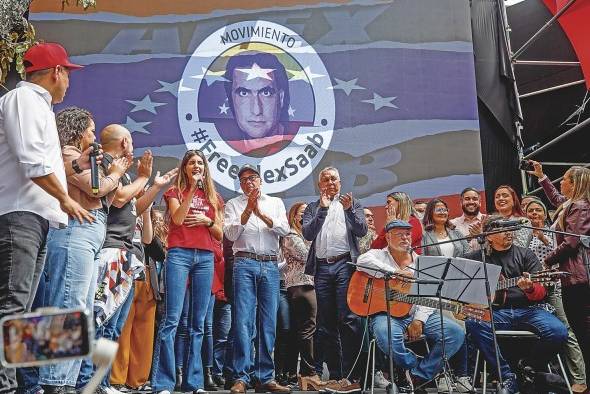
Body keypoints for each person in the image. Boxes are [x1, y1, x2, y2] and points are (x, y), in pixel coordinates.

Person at [0, 42, 94, 393]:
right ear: (56, 72)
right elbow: (29, 160)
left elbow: (39, 160)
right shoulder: (23, 100)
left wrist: (71, 173)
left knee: (23, 310)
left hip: (35, 217)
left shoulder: (36, 105)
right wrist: (66, 199)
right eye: (67, 73)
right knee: (12, 305)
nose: (69, 81)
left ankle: (21, 384)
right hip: (19, 215)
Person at [37, 108, 130, 394]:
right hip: (73, 232)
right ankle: (54, 382)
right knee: (69, 305)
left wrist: (113, 175)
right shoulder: (66, 153)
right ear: (78, 131)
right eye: (90, 130)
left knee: (83, 311)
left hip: (90, 233)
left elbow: (107, 196)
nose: (94, 135)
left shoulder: (90, 158)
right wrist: (115, 174)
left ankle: (66, 379)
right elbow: (96, 190)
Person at [356, 219, 465, 394]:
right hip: (387, 313)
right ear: (388, 237)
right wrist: (394, 272)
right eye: (399, 234)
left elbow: (429, 295)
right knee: (386, 335)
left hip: (416, 312)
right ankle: (411, 365)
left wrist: (419, 321)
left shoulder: (422, 262)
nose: (405, 237)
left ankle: (419, 374)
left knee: (455, 333)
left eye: (407, 234)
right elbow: (362, 261)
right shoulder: (377, 255)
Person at [464, 215, 568, 394]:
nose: (509, 233)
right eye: (503, 229)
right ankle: (506, 376)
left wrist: (529, 289)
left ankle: (527, 367)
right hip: (496, 312)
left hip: (528, 310)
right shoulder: (475, 258)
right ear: (488, 236)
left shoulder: (525, 254)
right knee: (474, 322)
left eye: (510, 229)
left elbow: (541, 292)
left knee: (558, 331)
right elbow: (463, 289)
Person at [151, 149, 224, 394]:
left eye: (200, 163)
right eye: (192, 163)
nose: (196, 166)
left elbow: (221, 234)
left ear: (205, 168)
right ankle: (163, 383)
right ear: (185, 168)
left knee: (199, 322)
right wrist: (191, 190)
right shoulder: (175, 192)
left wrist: (208, 221)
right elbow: (179, 220)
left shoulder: (214, 198)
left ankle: (194, 383)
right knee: (172, 320)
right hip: (179, 255)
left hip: (205, 257)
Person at [224, 164, 291, 394]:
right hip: (244, 262)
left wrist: (260, 213)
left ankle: (265, 377)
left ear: (261, 180)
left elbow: (284, 229)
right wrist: (247, 212)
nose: (248, 182)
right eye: (243, 179)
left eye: (252, 178)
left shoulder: (275, 203)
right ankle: (241, 377)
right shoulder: (233, 204)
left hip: (270, 264)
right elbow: (231, 235)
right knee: (243, 321)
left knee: (268, 322)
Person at [302, 167, 367, 393]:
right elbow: (308, 234)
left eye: (333, 179)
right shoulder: (312, 207)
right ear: (320, 185)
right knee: (325, 324)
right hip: (322, 268)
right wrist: (322, 209)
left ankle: (353, 376)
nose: (330, 182)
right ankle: (337, 376)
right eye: (325, 179)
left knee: (348, 320)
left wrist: (349, 210)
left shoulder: (352, 203)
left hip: (344, 266)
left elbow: (362, 230)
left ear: (340, 182)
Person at [528, 161, 590, 387]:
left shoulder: (580, 206)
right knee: (582, 333)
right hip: (572, 278)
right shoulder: (572, 204)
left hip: (579, 279)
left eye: (563, 179)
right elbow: (556, 200)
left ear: (573, 184)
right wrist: (542, 177)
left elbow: (571, 242)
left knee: (583, 333)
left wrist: (546, 259)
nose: (560, 182)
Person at [281, 202, 324, 390]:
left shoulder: (307, 235)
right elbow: (309, 257)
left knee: (307, 329)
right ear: (293, 216)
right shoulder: (291, 236)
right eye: (302, 213)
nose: (306, 216)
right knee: (308, 329)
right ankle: (308, 372)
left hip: (310, 284)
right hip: (301, 285)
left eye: (309, 213)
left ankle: (302, 372)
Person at [222, 52, 291, 156]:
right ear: (231, 99)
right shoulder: (223, 147)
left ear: (281, 98)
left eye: (266, 93)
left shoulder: (299, 142)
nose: (256, 110)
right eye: (243, 93)